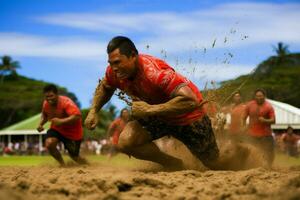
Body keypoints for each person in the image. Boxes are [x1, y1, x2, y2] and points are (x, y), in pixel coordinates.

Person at [85, 36, 220, 170]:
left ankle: (239, 153)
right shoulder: (114, 72)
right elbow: (105, 87)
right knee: (126, 142)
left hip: (189, 118)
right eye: (111, 63)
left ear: (133, 56)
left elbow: (191, 101)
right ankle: (173, 164)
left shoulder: (154, 73)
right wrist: (93, 110)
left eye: (117, 62)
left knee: (214, 164)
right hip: (158, 117)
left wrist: (150, 110)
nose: (114, 68)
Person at [37, 84, 87, 166]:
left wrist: (61, 121)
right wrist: (40, 124)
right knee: (49, 143)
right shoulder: (46, 103)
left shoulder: (66, 102)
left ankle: (88, 166)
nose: (49, 99)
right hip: (57, 129)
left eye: (51, 96)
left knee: (74, 157)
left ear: (57, 94)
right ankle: (63, 165)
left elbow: (77, 116)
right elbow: (45, 115)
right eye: (47, 97)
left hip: (73, 132)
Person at [243, 88, 275, 167]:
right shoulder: (249, 105)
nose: (259, 97)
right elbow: (243, 117)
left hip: (266, 135)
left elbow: (273, 120)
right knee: (250, 152)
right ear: (254, 96)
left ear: (264, 96)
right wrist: (243, 126)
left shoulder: (269, 106)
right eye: (257, 96)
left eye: (261, 96)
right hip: (252, 135)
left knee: (269, 153)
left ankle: (268, 167)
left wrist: (265, 120)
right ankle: (252, 166)